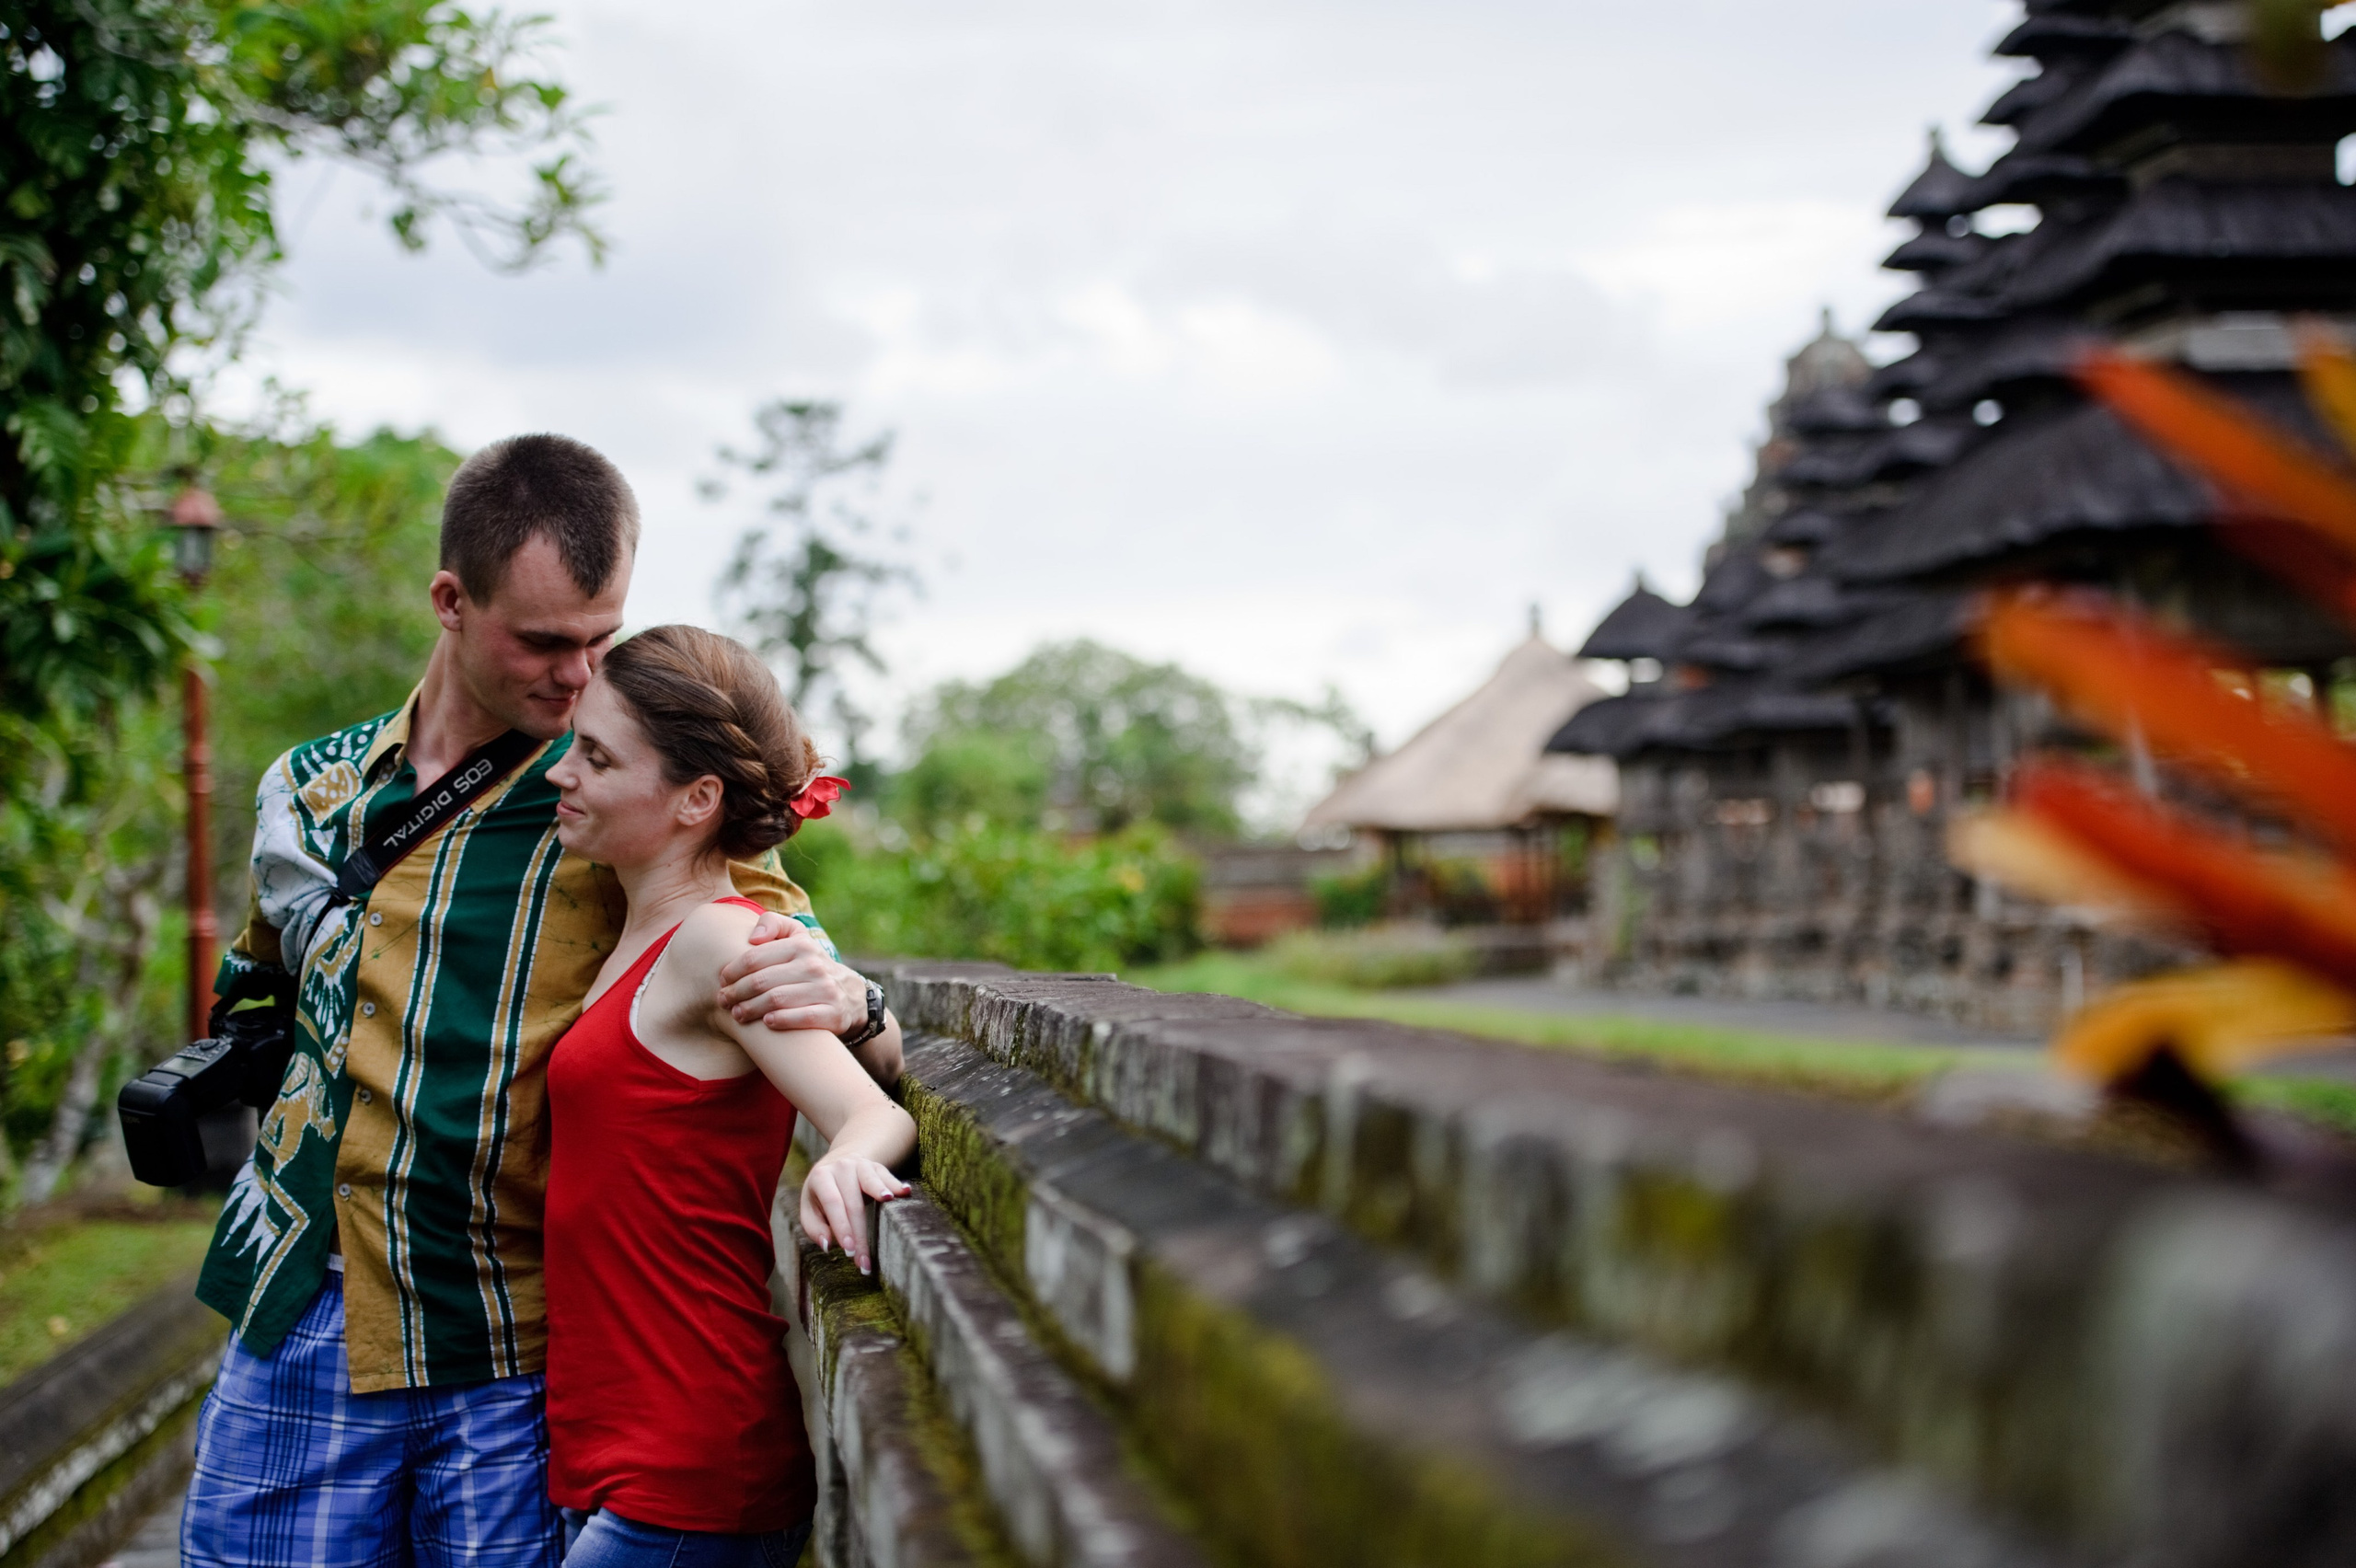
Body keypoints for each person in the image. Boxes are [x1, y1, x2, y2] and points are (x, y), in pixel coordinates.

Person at [182, 436, 903, 1568]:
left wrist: (854, 1000)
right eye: (543, 643)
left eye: (599, 638)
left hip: (508, 1338)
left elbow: (809, 985)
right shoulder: (306, 796)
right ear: (450, 603)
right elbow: (258, 998)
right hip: (304, 1309)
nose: (576, 679)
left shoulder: (613, 791)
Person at [540, 624, 915, 1567]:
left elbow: (876, 1110)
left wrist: (847, 1160)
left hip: (695, 1460)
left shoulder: (724, 944)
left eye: (595, 756)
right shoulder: (631, 935)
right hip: (622, 1452)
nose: (561, 774)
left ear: (696, 798)